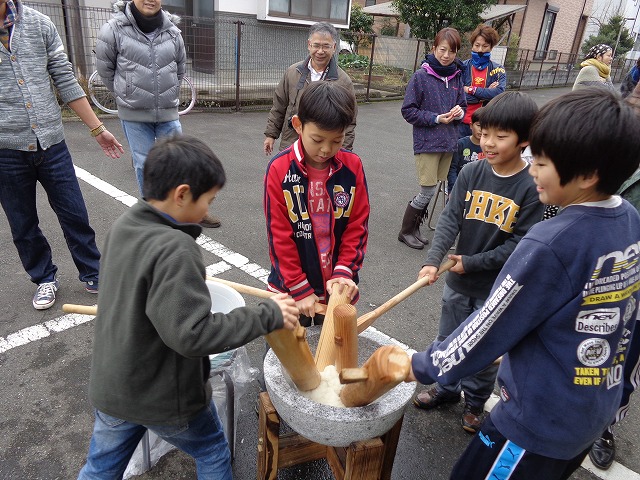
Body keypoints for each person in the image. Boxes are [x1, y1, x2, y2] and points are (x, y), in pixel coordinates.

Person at [407, 88, 640, 479]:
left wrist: (416, 366)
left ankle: (473, 401)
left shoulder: (552, 241)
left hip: (536, 422)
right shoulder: (629, 219)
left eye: (542, 162)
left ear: (587, 175)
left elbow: (488, 328)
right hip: (588, 413)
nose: (533, 170)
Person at [77, 135, 299, 479]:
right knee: (211, 451)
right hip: (163, 396)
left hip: (113, 386)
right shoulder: (177, 250)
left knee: (100, 468)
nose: (208, 210)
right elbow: (193, 334)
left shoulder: (124, 226)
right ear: (181, 194)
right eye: (207, 200)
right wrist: (268, 314)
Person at [412, 91, 544, 434]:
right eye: (485, 133)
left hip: (496, 289)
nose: (488, 142)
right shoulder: (471, 172)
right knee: (448, 339)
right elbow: (449, 219)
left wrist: (471, 263)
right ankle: (446, 388)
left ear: (524, 140)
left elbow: (520, 245)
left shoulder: (532, 187)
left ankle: (474, 402)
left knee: (484, 349)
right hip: (458, 281)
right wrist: (433, 260)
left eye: (501, 136)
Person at [0, 0, 124, 310]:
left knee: (74, 213)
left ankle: (94, 273)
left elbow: (65, 79)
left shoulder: (39, 23)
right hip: (5, 151)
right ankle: (44, 278)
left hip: (52, 143)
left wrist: (97, 129)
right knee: (22, 224)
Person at [96, 0, 220, 228]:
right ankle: (154, 215)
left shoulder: (173, 31)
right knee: (145, 165)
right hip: (134, 113)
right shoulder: (113, 29)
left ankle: (192, 208)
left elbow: (180, 68)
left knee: (181, 160)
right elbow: (105, 69)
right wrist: (127, 93)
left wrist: (168, 94)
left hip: (167, 110)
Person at [264, 81, 369, 326]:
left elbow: (357, 225)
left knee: (333, 347)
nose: (326, 149)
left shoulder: (352, 167)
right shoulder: (279, 169)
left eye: (337, 141)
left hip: (336, 286)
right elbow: (278, 235)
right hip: (290, 288)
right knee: (286, 347)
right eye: (317, 139)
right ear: (298, 125)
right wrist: (298, 286)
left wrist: (344, 270)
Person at [588, 82, 640, 470]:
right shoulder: (613, 140)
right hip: (591, 269)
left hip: (633, 282)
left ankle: (604, 425)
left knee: (622, 357)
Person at [399, 27, 466, 250]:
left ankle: (415, 229)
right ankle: (406, 231)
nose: (446, 56)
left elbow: (463, 106)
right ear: (434, 48)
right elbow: (408, 111)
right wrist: (436, 118)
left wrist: (459, 113)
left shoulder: (457, 76)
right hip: (427, 143)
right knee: (427, 189)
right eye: (442, 50)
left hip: (449, 142)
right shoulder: (421, 76)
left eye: (452, 51)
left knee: (433, 188)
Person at [263, 22, 357, 156]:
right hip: (291, 145)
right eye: (316, 45)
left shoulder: (343, 81)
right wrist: (271, 135)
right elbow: (279, 106)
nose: (320, 51)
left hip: (323, 152)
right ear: (309, 45)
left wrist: (344, 154)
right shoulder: (293, 72)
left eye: (326, 46)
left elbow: (349, 123)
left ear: (334, 47)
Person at [459, 24, 506, 137]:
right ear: (472, 46)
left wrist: (470, 89)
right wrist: (486, 93)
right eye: (477, 45)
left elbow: (499, 94)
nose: (480, 50)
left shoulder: (498, 69)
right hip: (461, 123)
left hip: (485, 124)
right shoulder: (462, 67)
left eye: (485, 46)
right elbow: (458, 94)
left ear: (491, 47)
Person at [447, 108, 484, 194]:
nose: (481, 129)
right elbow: (452, 169)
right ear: (471, 125)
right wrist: (454, 188)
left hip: (481, 189)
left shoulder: (490, 147)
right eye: (478, 125)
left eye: (486, 126)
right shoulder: (461, 144)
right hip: (460, 185)